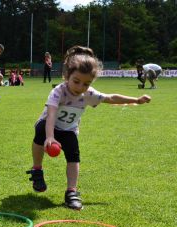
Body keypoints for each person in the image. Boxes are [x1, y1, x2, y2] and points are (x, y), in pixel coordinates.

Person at [26, 46, 151, 210]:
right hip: (49, 126)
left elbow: (110, 98)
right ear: (66, 76)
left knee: (74, 157)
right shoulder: (59, 91)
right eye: (76, 81)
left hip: (69, 130)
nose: (80, 87)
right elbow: (51, 114)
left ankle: (71, 192)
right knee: (40, 131)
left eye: (86, 84)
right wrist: (50, 137)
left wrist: (136, 99)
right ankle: (37, 170)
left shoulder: (88, 94)